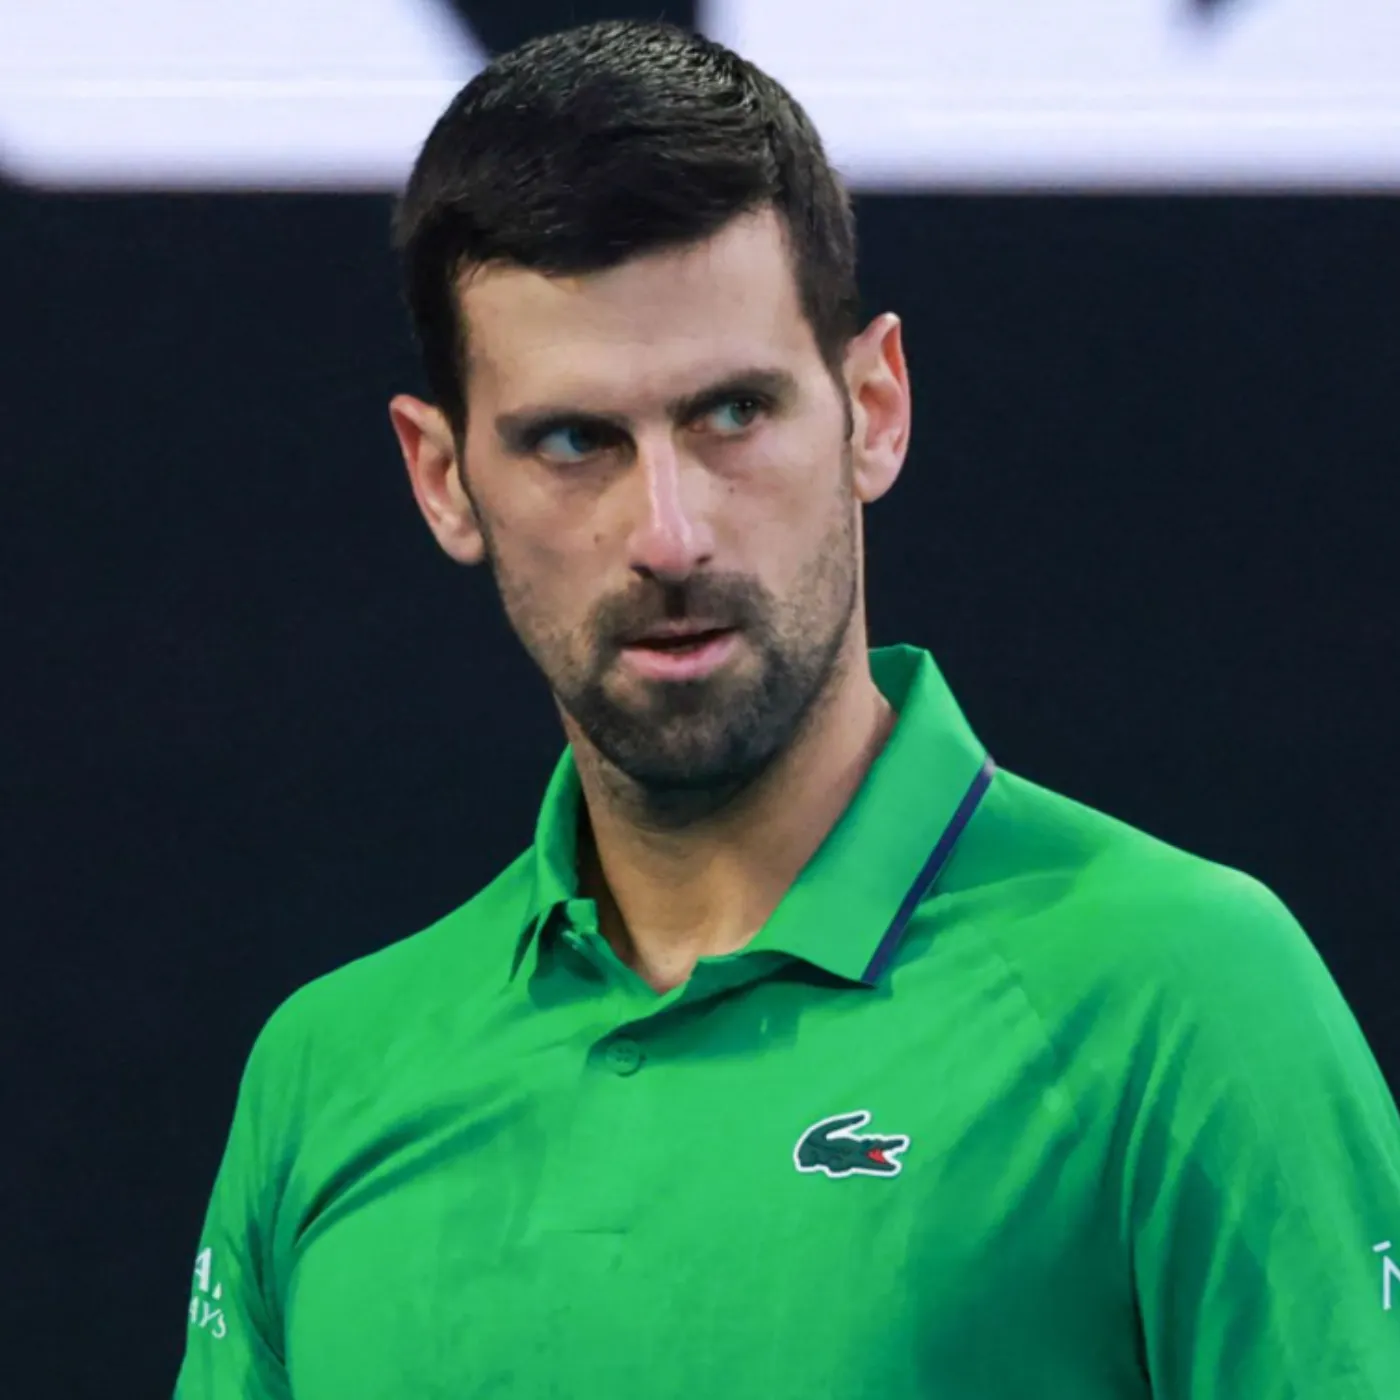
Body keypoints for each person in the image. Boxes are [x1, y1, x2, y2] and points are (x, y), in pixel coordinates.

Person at [174, 19, 1400, 1399]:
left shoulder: (1183, 996)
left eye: (732, 414)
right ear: (443, 478)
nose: (669, 534)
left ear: (874, 406)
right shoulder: (326, 1076)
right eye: (574, 440)